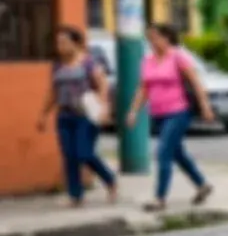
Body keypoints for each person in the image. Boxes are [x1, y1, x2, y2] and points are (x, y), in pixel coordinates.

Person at [127, 23, 216, 212]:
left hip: (178, 111)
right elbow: (143, 88)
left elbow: (195, 82)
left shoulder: (178, 56)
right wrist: (134, 111)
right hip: (158, 114)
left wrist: (205, 106)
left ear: (167, 38)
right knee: (177, 153)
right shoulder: (148, 60)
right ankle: (202, 184)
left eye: (155, 37)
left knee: (163, 152)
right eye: (149, 38)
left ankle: (160, 198)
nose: (152, 41)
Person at [37, 26, 118, 206]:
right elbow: (53, 92)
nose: (61, 46)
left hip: (86, 115)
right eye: (58, 43)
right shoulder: (57, 65)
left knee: (84, 152)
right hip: (65, 115)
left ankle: (110, 179)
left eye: (64, 42)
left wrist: (105, 108)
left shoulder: (88, 63)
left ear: (76, 43)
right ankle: (75, 195)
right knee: (69, 155)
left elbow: (102, 85)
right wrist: (43, 114)